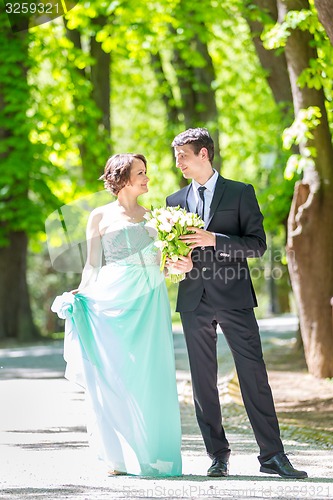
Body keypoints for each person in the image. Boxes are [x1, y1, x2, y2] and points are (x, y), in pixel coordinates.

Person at [166, 128, 307, 479]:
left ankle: (272, 456)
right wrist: (175, 263)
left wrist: (215, 239)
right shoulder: (173, 202)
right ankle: (217, 455)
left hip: (234, 297)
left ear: (204, 154)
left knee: (253, 375)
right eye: (176, 156)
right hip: (193, 299)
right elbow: (171, 254)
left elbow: (257, 245)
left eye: (183, 154)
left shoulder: (241, 192)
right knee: (202, 382)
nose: (178, 162)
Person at [51, 153, 182, 477]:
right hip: (115, 299)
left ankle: (151, 454)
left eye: (146, 173)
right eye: (141, 173)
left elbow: (163, 263)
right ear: (122, 178)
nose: (147, 179)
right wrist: (80, 294)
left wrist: (174, 263)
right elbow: (93, 264)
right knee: (115, 372)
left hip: (150, 300)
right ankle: (118, 456)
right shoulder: (99, 216)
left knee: (150, 374)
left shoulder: (156, 217)